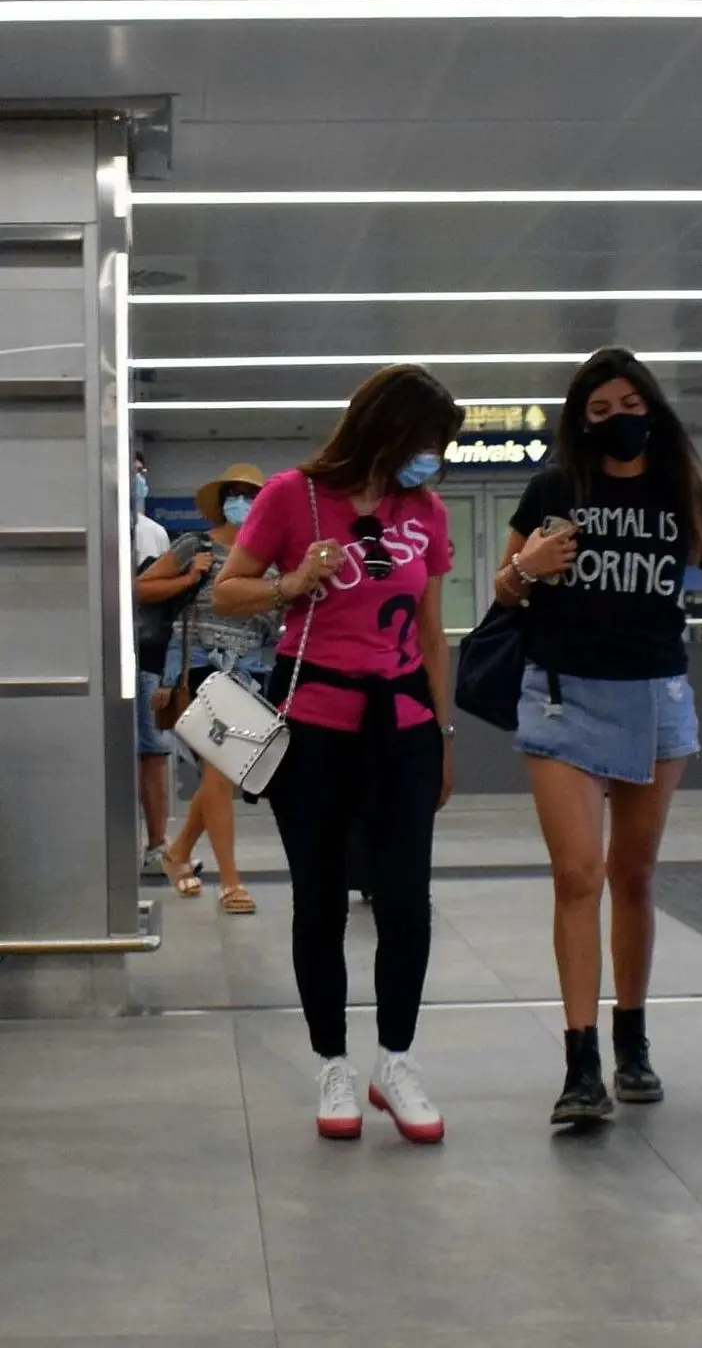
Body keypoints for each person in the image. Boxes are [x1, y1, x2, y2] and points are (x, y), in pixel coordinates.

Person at [495, 346, 702, 1126]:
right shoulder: (557, 489)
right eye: (599, 411)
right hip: (563, 697)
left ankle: (632, 1039)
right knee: (577, 875)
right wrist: (527, 565)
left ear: (653, 409)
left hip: (656, 699)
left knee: (634, 875)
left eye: (629, 406)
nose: (617, 421)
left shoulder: (683, 494)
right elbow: (506, 588)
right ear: (579, 422)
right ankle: (581, 1060)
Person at [213, 365, 461, 1144]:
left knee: (405, 899)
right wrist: (293, 581)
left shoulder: (426, 512)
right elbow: (228, 591)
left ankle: (397, 1060)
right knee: (319, 897)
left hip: (405, 725)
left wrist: (443, 734)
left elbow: (430, 633)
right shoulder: (294, 495)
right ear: (387, 430)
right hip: (313, 721)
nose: (435, 459)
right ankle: (333, 1062)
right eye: (428, 442)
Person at [136, 464, 273, 912]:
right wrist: (191, 577)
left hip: (248, 671)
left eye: (250, 495)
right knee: (218, 771)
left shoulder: (271, 556)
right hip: (195, 666)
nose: (241, 503)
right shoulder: (196, 545)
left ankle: (177, 854)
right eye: (234, 495)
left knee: (224, 772)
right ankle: (231, 883)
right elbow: (143, 587)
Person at [132, 452, 175, 875]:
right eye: (132, 472)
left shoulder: (155, 534)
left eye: (142, 472)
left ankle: (158, 843)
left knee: (154, 750)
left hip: (149, 657)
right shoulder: (102, 528)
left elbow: (158, 597)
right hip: (107, 654)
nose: (138, 479)